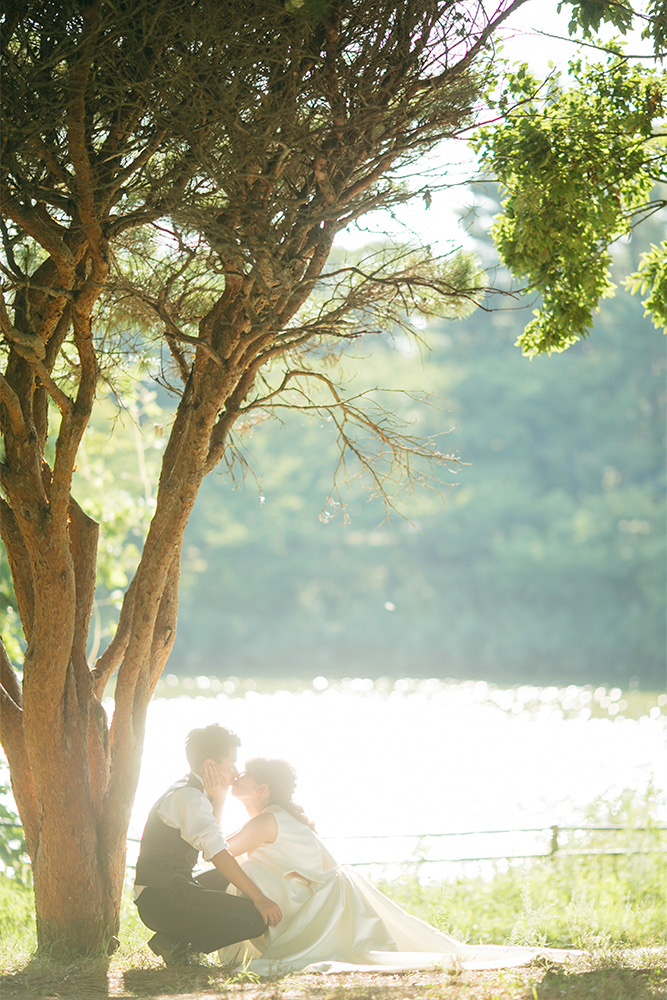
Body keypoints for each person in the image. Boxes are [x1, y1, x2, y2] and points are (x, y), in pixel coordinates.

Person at [216, 758, 580, 977]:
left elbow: (216, 850)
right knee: (252, 868)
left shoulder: (268, 821)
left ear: (261, 789)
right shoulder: (274, 816)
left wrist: (215, 798)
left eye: (243, 774)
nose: (237, 778)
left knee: (249, 870)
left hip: (311, 907)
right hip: (315, 900)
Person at [134, 725, 282, 965]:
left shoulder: (191, 790)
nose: (235, 772)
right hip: (161, 899)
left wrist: (220, 799)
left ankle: (171, 940)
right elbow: (216, 854)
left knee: (241, 872)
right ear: (210, 765)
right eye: (232, 763)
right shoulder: (189, 798)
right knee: (254, 920)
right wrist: (259, 898)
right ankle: (177, 945)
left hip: (172, 888)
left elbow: (212, 845)